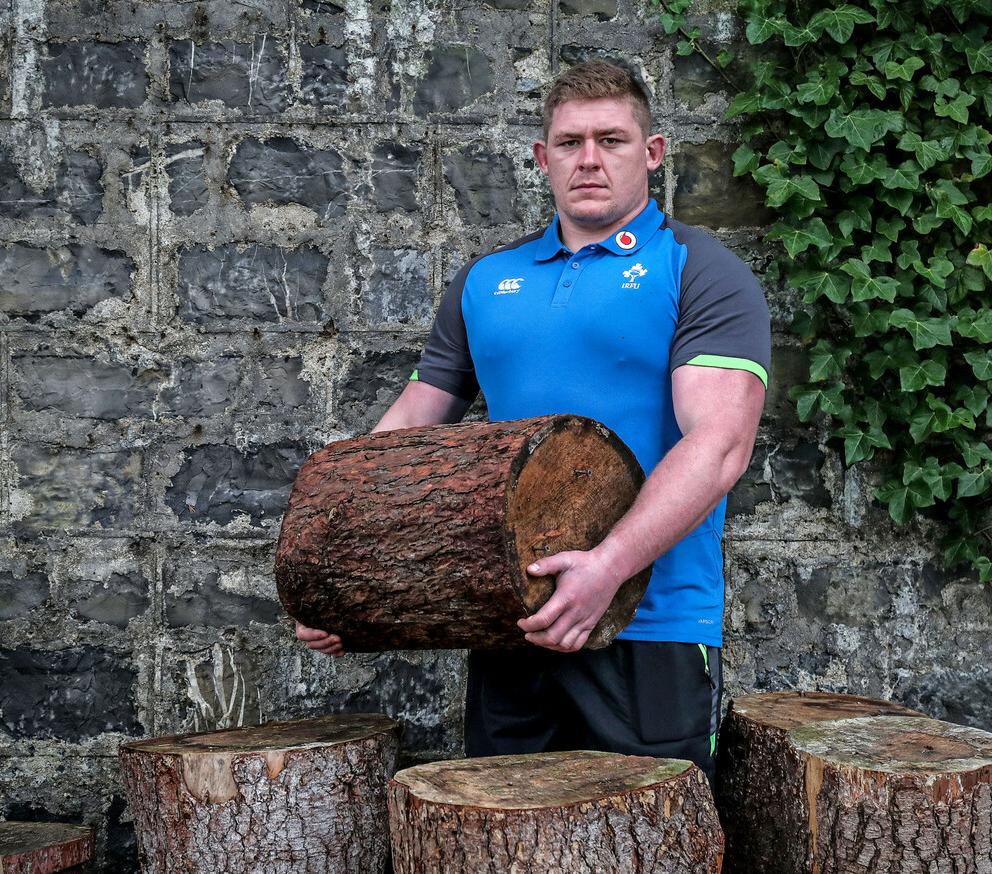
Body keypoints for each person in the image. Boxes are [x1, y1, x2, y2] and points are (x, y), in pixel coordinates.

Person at [297, 60, 769, 782]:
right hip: (511, 622)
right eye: (570, 142)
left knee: (651, 835)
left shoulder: (700, 270)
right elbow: (406, 432)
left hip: (652, 626)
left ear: (652, 152)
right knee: (504, 834)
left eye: (611, 140)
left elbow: (721, 445)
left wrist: (607, 568)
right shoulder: (486, 281)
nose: (589, 159)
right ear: (542, 158)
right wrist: (338, 572)